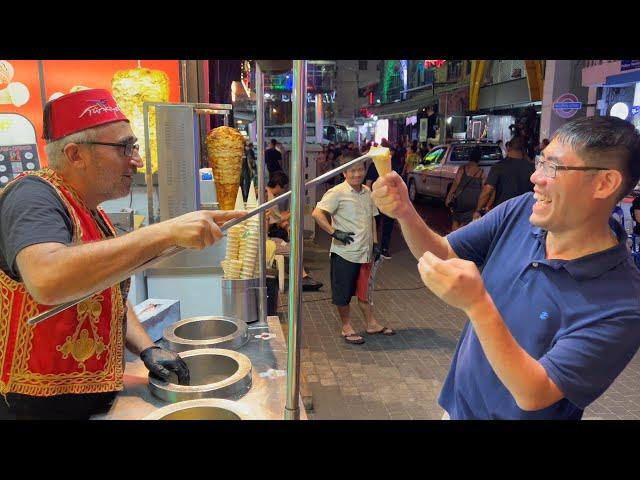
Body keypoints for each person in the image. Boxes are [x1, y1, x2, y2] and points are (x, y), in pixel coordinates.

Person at [370, 115, 640, 420]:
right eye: (541, 161)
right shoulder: (523, 209)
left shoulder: (622, 304)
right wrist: (405, 210)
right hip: (457, 410)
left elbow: (535, 392)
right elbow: (443, 252)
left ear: (605, 183)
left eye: (553, 167)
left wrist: (478, 304)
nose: (535, 178)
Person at [0, 89, 244, 420]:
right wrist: (164, 232)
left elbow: (108, 294)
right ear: (75, 154)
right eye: (124, 148)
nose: (136, 159)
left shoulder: (91, 211)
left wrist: (148, 348)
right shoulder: (32, 197)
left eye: (135, 147)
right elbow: (46, 278)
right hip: (33, 408)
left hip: (89, 400)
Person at [312, 155, 394, 345]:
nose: (357, 174)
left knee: (365, 291)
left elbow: (372, 219)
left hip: (364, 253)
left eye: (360, 169)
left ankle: (371, 324)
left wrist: (375, 243)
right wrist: (334, 232)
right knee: (343, 293)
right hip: (345, 253)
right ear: (344, 173)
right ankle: (346, 327)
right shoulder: (337, 192)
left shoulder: (367, 192)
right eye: (352, 170)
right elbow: (317, 213)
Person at [266, 171, 323, 292]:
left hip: (269, 234)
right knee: (293, 249)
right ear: (278, 185)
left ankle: (301, 276)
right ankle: (301, 278)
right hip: (267, 238)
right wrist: (293, 212)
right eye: (283, 187)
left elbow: (276, 218)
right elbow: (276, 219)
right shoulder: (267, 196)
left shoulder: (267, 194)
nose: (283, 190)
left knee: (293, 245)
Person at [473, 135, 535, 219]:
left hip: (502, 212)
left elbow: (488, 190)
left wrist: (478, 210)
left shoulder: (498, 167)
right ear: (524, 150)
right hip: (524, 212)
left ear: (508, 147)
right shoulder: (532, 168)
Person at [445, 146, 484, 231]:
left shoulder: (463, 169)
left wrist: (448, 197)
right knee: (465, 223)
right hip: (472, 203)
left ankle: (452, 238)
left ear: (470, 156)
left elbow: (455, 184)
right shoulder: (481, 173)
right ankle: (459, 235)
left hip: (460, 200)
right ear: (479, 158)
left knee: (455, 220)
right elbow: (484, 190)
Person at [365, 160, 393, 259]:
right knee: (374, 223)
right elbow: (368, 182)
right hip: (376, 200)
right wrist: (368, 199)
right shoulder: (374, 165)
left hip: (389, 200)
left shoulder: (392, 166)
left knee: (388, 224)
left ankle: (384, 248)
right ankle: (371, 246)